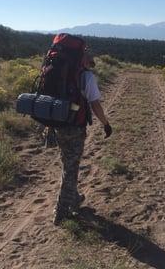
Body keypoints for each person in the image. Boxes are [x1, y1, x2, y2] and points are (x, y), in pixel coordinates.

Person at [53, 51, 112, 225]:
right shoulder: (86, 77)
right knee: (71, 169)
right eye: (90, 63)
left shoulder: (58, 71)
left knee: (67, 163)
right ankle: (61, 213)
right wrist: (106, 124)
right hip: (74, 128)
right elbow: (95, 104)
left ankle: (74, 198)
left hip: (57, 124)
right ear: (85, 61)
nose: (90, 65)